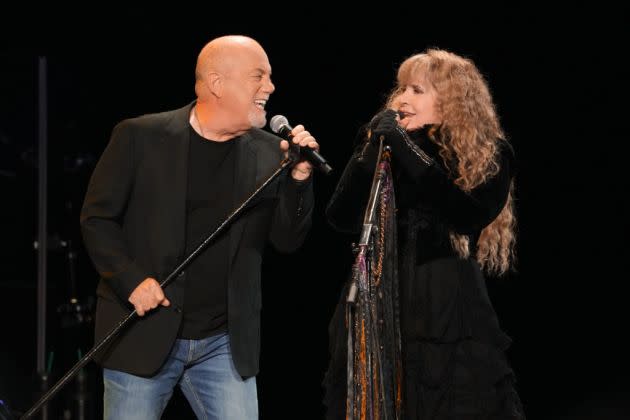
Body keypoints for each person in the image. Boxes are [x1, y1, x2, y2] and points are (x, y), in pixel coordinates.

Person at [80, 35, 319, 419]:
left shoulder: (268, 152)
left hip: (223, 343)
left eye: (270, 78)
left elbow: (287, 240)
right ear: (217, 84)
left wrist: (299, 180)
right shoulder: (140, 136)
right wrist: (130, 279)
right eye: (259, 76)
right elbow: (97, 219)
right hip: (144, 333)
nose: (270, 87)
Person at [323, 48, 525, 419]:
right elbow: (339, 217)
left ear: (451, 102)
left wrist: (404, 150)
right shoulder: (384, 147)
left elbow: (469, 214)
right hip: (378, 299)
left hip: (444, 305)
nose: (402, 99)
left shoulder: (488, 151)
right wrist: (369, 151)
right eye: (401, 89)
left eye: (417, 90)